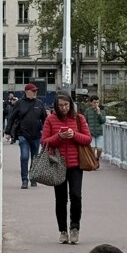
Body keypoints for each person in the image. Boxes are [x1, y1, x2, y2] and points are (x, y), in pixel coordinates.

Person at [42, 91, 93, 244]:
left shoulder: (79, 118)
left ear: (70, 104)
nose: (63, 108)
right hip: (58, 164)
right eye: (60, 105)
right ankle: (63, 231)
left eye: (66, 105)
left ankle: (75, 228)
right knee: (61, 199)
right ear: (56, 106)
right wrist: (59, 137)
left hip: (76, 164)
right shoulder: (51, 119)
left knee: (76, 196)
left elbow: (87, 139)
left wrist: (74, 135)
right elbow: (44, 141)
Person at [5, 83, 48, 190]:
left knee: (34, 158)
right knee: (24, 157)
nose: (35, 93)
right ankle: (24, 180)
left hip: (36, 135)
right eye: (33, 91)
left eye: (35, 91)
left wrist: (47, 132)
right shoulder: (19, 103)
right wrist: (8, 131)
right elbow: (12, 118)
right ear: (26, 92)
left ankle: (33, 177)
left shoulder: (39, 103)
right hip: (23, 134)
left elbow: (45, 119)